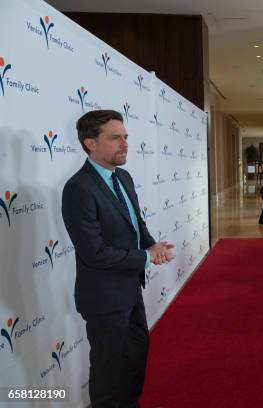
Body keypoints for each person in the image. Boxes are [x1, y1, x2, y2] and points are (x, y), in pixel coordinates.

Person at [61, 110, 175, 408]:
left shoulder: (122, 177)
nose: (124, 144)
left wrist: (153, 246)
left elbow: (136, 224)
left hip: (129, 289)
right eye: (115, 138)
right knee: (109, 372)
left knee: (135, 356)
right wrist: (144, 258)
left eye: (125, 137)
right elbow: (93, 253)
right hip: (104, 297)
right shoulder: (78, 189)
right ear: (90, 144)